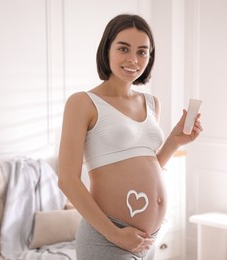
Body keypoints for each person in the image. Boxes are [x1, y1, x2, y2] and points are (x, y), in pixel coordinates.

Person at [57, 14, 203, 260]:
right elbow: (67, 180)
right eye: (123, 48)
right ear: (107, 50)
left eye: (142, 52)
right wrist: (115, 234)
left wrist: (174, 141)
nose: (133, 60)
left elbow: (147, 165)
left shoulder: (151, 102)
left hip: (147, 238)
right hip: (108, 238)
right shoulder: (82, 103)